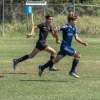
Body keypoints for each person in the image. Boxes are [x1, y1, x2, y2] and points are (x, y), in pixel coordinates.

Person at [38, 12, 88, 78]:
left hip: (66, 47)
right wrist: (57, 39)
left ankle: (42, 67)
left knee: (55, 60)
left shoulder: (74, 27)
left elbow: (76, 37)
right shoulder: (66, 27)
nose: (76, 21)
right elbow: (56, 29)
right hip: (65, 47)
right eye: (75, 20)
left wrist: (82, 42)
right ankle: (72, 71)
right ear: (71, 20)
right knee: (78, 55)